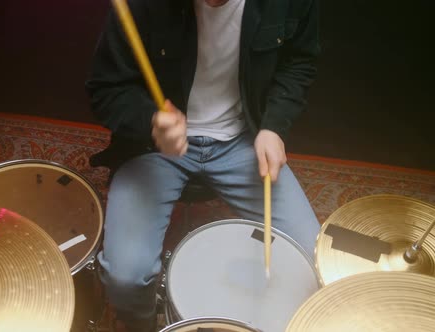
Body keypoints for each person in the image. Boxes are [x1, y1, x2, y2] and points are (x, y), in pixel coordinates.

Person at [85, 0, 321, 331]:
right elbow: (105, 88)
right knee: (127, 279)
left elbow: (298, 63)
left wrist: (273, 126)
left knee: (315, 259)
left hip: (242, 142)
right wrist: (150, 122)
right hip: (155, 147)